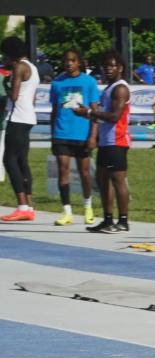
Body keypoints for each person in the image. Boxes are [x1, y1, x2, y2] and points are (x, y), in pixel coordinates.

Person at [75, 50, 131, 234]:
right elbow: (102, 116)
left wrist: (90, 113)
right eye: (106, 66)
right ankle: (107, 219)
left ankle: (123, 220)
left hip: (117, 140)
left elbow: (115, 116)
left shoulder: (120, 88)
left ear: (120, 68)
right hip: (106, 141)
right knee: (102, 179)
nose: (109, 69)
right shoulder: (108, 88)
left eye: (113, 65)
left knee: (117, 179)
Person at [49, 48, 99, 226]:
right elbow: (54, 111)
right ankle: (67, 211)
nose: (69, 64)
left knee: (85, 173)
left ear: (79, 62)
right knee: (63, 171)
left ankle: (87, 206)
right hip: (61, 132)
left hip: (82, 133)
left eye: (72, 60)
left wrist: (93, 135)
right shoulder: (57, 83)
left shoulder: (89, 82)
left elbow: (95, 111)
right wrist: (52, 133)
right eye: (66, 60)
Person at [1, 36, 38, 222]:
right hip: (29, 116)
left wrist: (5, 85)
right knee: (22, 161)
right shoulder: (33, 68)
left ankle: (22, 205)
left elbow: (14, 96)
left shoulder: (18, 67)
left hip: (17, 117)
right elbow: (31, 97)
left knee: (9, 160)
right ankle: (29, 206)